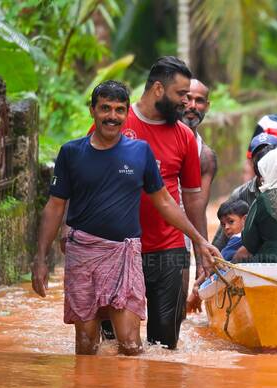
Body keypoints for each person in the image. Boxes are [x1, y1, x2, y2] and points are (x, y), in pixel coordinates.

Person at [30, 81, 217, 356]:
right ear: (93, 111)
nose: (112, 116)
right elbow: (55, 206)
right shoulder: (71, 153)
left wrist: (199, 241)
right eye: (105, 108)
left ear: (127, 113)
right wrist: (40, 258)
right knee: (85, 344)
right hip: (82, 255)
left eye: (119, 110)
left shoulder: (139, 152)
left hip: (125, 255)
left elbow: (165, 201)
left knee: (130, 345)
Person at [114, 56, 208, 350]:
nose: (186, 103)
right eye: (181, 95)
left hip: (168, 249)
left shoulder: (184, 136)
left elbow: (192, 198)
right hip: (117, 248)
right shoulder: (116, 122)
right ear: (158, 89)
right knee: (115, 343)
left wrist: (201, 247)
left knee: (164, 346)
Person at [180, 78, 218, 312]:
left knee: (173, 316)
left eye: (199, 100)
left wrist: (202, 263)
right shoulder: (151, 137)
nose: (192, 105)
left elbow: (197, 210)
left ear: (207, 106)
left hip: (178, 238)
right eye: (187, 98)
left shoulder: (205, 156)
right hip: (139, 232)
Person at [211, 133, 277, 250]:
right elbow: (221, 238)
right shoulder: (240, 194)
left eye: (269, 155)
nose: (263, 161)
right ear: (252, 162)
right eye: (259, 156)